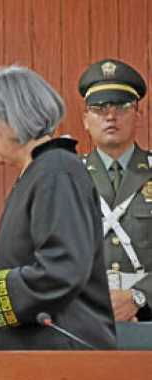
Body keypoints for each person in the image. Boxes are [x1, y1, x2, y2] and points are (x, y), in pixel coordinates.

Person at [0, 65, 116, 350]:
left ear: (13, 117)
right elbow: (36, 258)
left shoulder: (55, 172)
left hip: (61, 359)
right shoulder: (39, 172)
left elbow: (61, 270)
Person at [78, 59, 152, 322]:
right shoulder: (69, 178)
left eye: (121, 106)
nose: (110, 116)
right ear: (86, 120)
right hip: (84, 317)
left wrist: (139, 296)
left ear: (138, 115)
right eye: (99, 108)